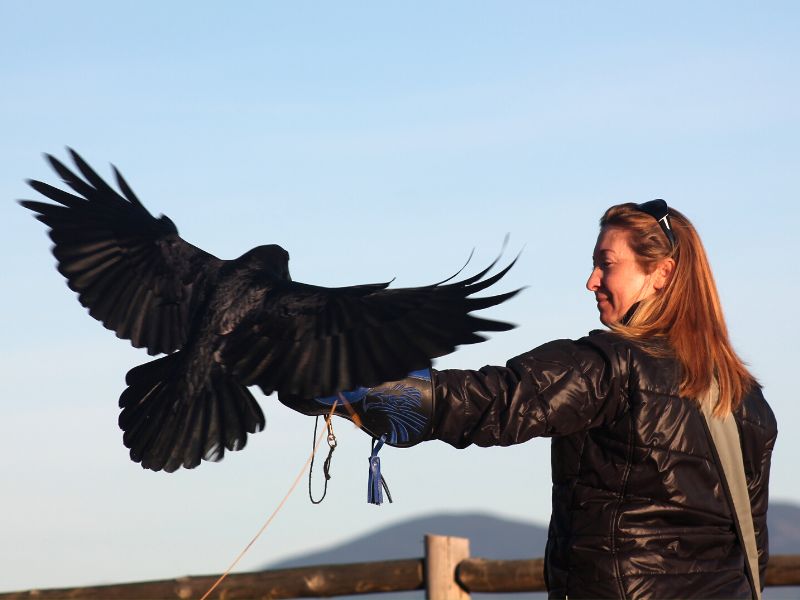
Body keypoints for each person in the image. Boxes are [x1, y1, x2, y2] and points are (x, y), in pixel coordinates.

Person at [281, 200, 777, 599]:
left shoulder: (612, 366)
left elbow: (490, 403)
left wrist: (348, 386)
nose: (592, 282)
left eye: (607, 265)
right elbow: (752, 546)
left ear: (663, 274)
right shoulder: (749, 402)